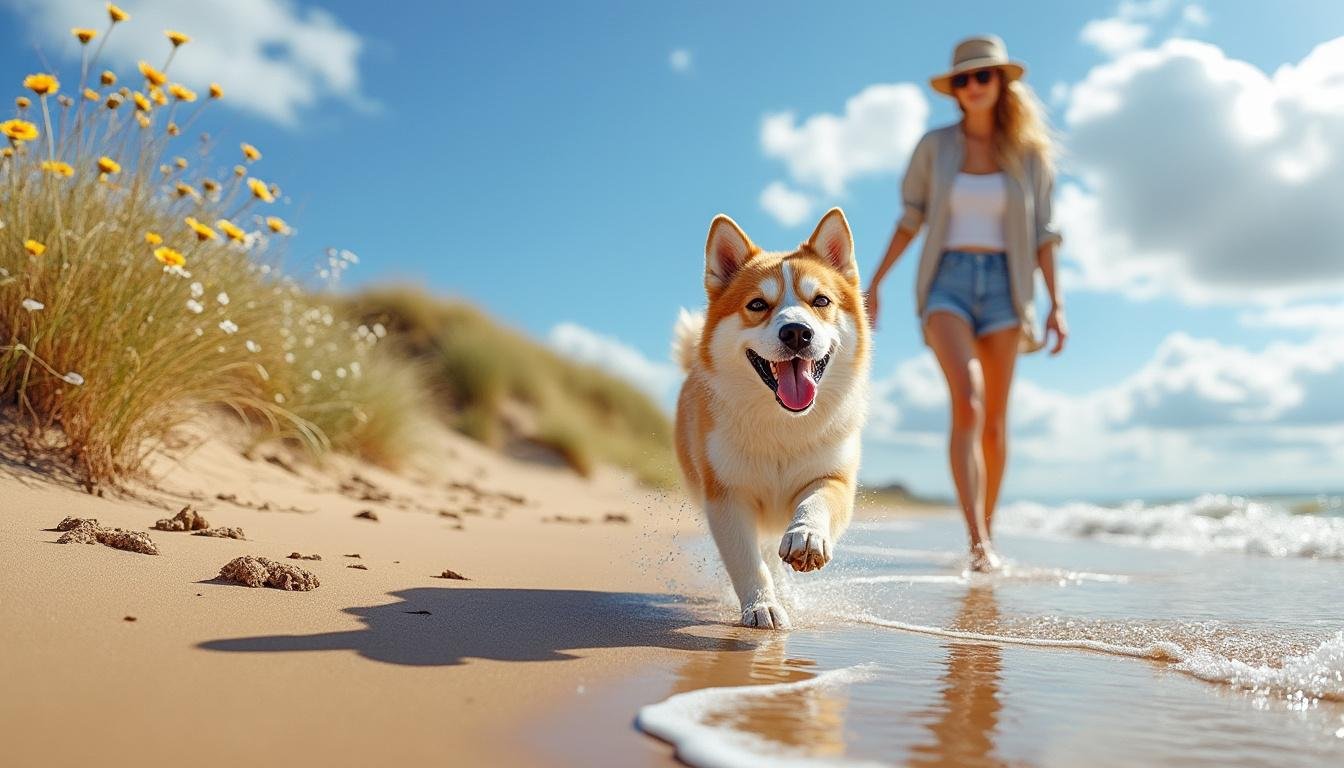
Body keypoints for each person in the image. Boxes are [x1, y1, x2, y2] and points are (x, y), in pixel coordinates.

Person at [865, 35, 1066, 572]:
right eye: (963, 79)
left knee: (996, 423)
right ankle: (977, 541)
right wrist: (876, 282)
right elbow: (911, 218)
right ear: (954, 90)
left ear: (1001, 83)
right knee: (969, 404)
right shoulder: (935, 147)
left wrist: (1057, 305)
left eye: (983, 76)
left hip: (1008, 284)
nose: (973, 85)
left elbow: (1046, 234)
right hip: (946, 282)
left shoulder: (1029, 155)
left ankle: (988, 532)